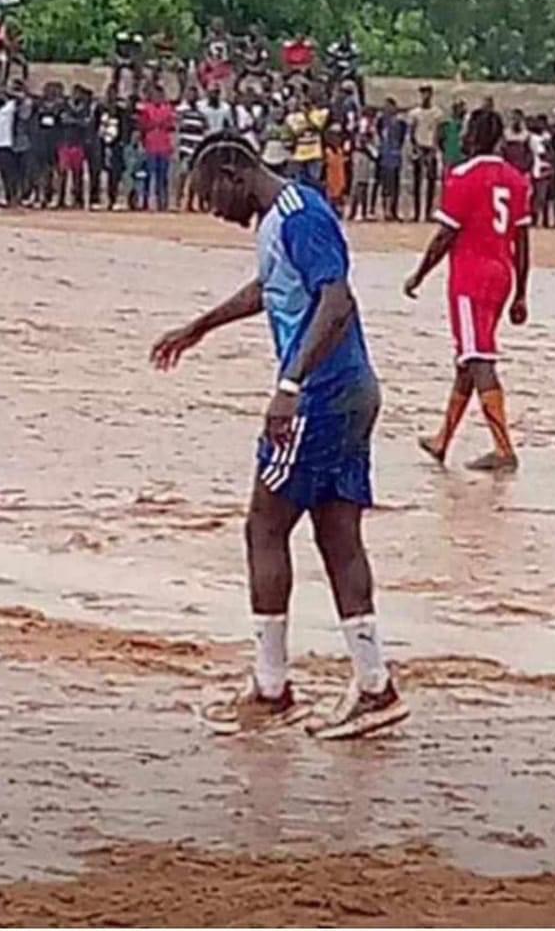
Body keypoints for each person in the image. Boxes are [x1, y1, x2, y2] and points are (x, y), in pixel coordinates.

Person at [150, 131, 408, 738]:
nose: (213, 208)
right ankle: (375, 686)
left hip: (323, 394)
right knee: (337, 534)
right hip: (350, 391)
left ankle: (272, 689)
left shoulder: (300, 215)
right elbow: (273, 289)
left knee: (264, 525)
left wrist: (289, 387)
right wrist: (201, 325)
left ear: (235, 170)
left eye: (210, 192)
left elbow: (336, 301)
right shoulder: (279, 219)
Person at [403, 109, 531, 471]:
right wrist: (522, 292)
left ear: (472, 138)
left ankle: (504, 448)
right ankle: (443, 439)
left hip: (470, 278)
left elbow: (445, 235)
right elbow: (522, 242)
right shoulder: (516, 180)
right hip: (502, 274)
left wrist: (419, 274)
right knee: (469, 358)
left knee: (479, 358)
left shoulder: (462, 177)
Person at [137, 84, 175, 211]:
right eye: (155, 96)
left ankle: (162, 202)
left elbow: (171, 126)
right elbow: (142, 126)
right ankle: (145, 201)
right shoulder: (146, 109)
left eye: (159, 96)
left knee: (162, 177)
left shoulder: (168, 109)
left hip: (164, 146)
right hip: (150, 145)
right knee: (147, 175)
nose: (157, 98)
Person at [408, 85, 443, 222]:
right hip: (419, 147)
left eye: (427, 93)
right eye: (423, 93)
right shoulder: (415, 113)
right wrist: (415, 147)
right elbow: (411, 132)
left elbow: (438, 133)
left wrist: (435, 148)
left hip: (431, 148)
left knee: (431, 181)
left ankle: (428, 212)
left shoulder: (437, 114)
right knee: (417, 182)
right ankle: (417, 213)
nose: (425, 96)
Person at [284, 88, 329, 188]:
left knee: (314, 181)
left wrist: (308, 116)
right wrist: (305, 122)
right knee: (298, 182)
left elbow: (318, 125)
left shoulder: (318, 114)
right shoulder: (293, 117)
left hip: (315, 152)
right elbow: (296, 131)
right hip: (300, 153)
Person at [57, 84, 93, 208]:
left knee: (78, 173)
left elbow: (86, 123)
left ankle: (78, 199)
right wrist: (77, 121)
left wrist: (74, 121)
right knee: (62, 172)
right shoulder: (65, 106)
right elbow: (63, 120)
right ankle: (60, 199)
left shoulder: (86, 108)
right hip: (65, 142)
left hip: (78, 143)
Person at [176, 86, 207, 209]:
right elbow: (178, 126)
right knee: (183, 173)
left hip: (197, 147)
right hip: (185, 147)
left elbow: (205, 127)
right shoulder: (182, 111)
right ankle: (178, 200)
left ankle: (190, 202)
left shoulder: (200, 113)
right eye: (189, 94)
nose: (192, 97)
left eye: (194, 95)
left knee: (195, 177)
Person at [376, 97, 406, 221]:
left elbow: (402, 138)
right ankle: (386, 210)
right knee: (386, 185)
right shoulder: (381, 121)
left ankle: (393, 210)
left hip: (395, 155)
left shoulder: (400, 123)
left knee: (395, 185)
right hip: (384, 155)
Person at [501, 109, 532, 174]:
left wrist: (525, 166)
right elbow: (502, 150)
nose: (515, 121)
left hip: (522, 168)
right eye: (513, 119)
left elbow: (529, 153)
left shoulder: (527, 134)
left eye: (518, 119)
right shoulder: (505, 133)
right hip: (508, 167)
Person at [438, 99, 466, 171]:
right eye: (459, 108)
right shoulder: (446, 123)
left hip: (462, 155)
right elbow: (440, 139)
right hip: (449, 154)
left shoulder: (466, 122)